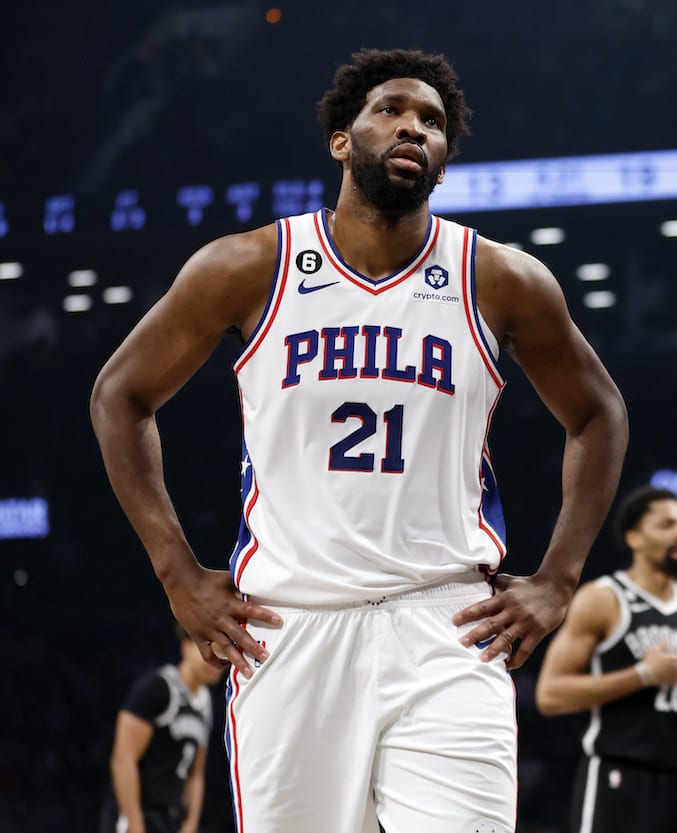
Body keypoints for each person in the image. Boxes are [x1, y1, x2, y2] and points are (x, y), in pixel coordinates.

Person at [90, 48, 629, 833]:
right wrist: (175, 570)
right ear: (342, 139)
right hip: (289, 621)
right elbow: (120, 394)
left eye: (434, 123)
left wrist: (559, 576)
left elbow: (599, 413)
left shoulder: (499, 279)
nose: (414, 127)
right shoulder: (250, 267)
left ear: (444, 161)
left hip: (447, 622)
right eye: (391, 111)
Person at [535, 486, 677, 833]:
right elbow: (550, 694)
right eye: (667, 525)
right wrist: (643, 675)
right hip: (616, 778)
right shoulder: (603, 599)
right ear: (633, 537)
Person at [100, 624, 223, 833]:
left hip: (171, 817)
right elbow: (123, 759)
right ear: (186, 648)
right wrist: (135, 822)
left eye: (223, 657)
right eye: (209, 652)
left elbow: (196, 774)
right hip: (138, 814)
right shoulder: (157, 688)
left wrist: (191, 823)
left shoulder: (205, 703)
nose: (216, 661)